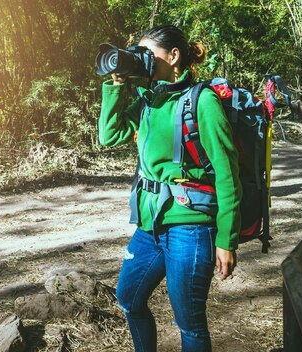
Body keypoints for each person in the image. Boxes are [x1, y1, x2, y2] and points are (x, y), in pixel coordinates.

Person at [98, 25, 241, 352]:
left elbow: (227, 173)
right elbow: (109, 136)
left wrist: (226, 240)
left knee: (189, 324)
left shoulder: (202, 101)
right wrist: (117, 83)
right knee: (128, 300)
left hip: (191, 226)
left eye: (148, 53)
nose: (141, 60)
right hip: (150, 225)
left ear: (174, 56)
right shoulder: (150, 100)